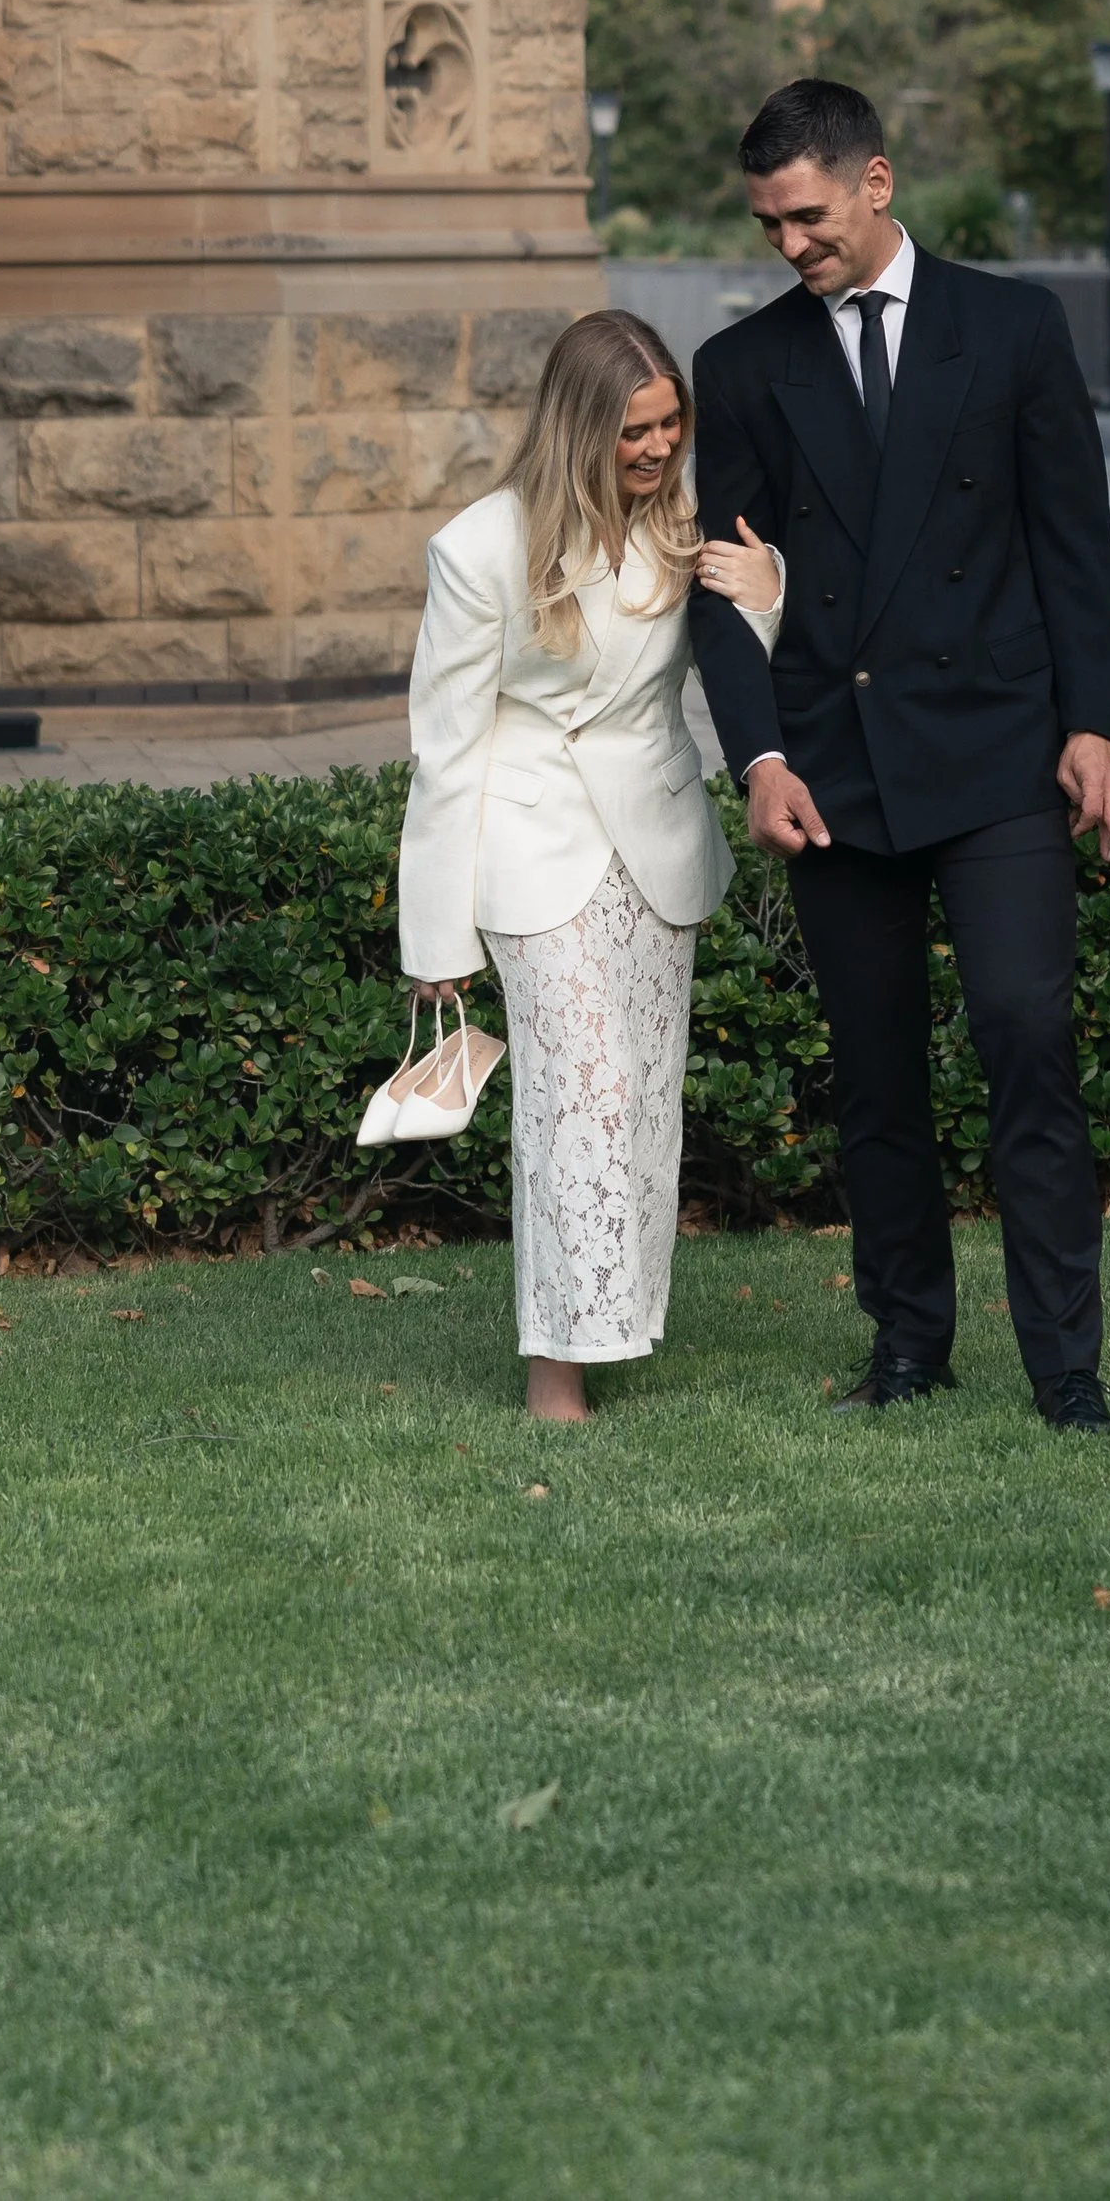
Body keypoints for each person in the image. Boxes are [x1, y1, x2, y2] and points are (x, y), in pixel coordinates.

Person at [688, 79, 1110, 1433]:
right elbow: (723, 587)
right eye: (768, 224)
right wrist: (759, 758)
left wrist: (1093, 723)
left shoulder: (1012, 328)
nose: (789, 246)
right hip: (838, 769)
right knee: (876, 1075)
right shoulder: (744, 366)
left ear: (876, 184)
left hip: (998, 752)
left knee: (1025, 1037)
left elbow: (1075, 545)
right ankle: (907, 1342)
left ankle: (1067, 1364)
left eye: (808, 216)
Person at [397, 309, 782, 1422]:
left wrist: (770, 597)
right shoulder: (479, 548)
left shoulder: (691, 526)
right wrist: (435, 941)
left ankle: (623, 1323)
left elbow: (738, 666)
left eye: (671, 425)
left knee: (644, 1103)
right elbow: (445, 748)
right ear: (577, 429)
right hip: (527, 851)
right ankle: (554, 1376)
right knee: (583, 1101)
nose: (659, 449)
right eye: (632, 433)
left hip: (655, 844)